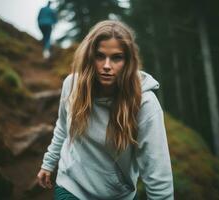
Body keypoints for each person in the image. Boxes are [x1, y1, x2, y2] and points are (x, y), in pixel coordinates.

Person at [37, 20, 174, 200]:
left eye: (116, 57)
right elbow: (63, 127)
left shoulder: (144, 103)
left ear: (128, 61)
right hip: (70, 186)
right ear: (90, 57)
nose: (107, 65)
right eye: (100, 56)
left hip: (117, 195)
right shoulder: (72, 85)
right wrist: (48, 163)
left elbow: (156, 168)